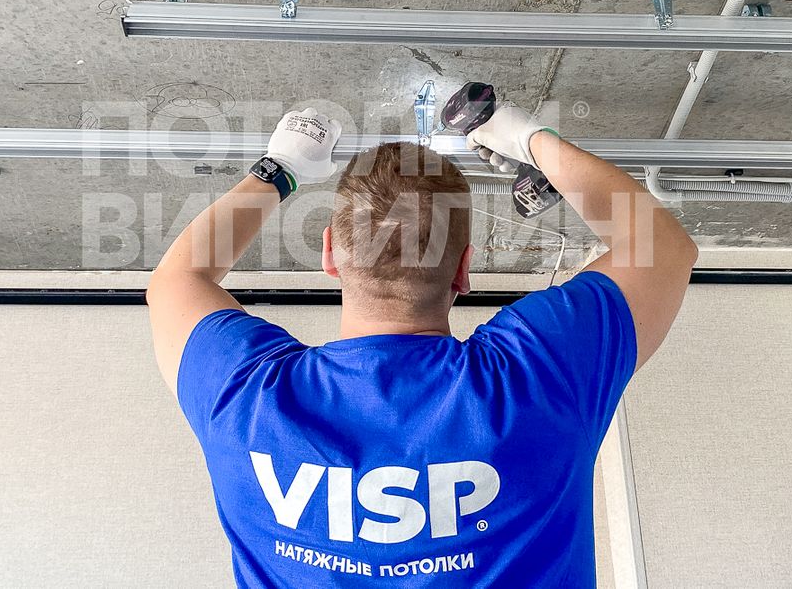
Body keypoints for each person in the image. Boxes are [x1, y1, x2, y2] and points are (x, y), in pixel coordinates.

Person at [147, 100, 698, 587]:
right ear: (463, 270)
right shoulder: (534, 374)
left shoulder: (246, 396)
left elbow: (176, 280)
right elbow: (661, 247)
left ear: (330, 254)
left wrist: (282, 169)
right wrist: (529, 140)